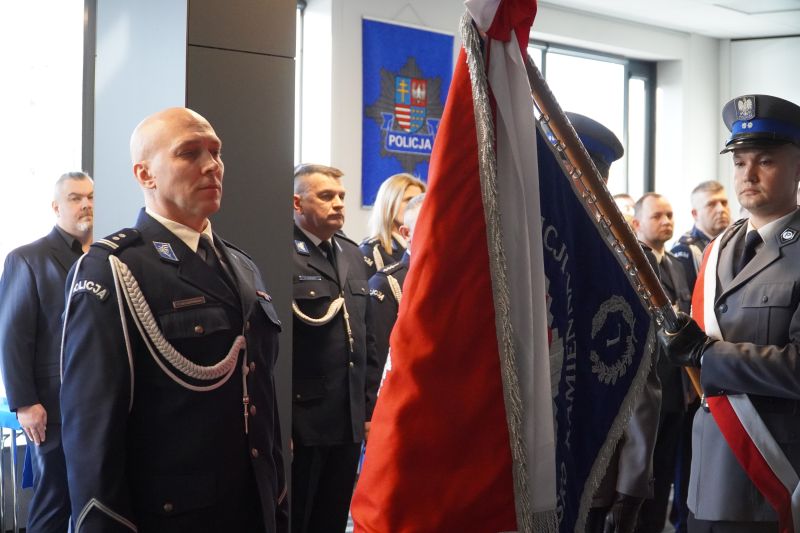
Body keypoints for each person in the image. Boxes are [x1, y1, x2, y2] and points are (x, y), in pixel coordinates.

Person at [59, 108, 287, 533]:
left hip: (250, 508)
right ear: (145, 174)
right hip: (171, 517)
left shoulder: (241, 265)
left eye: (215, 152)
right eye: (189, 153)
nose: (211, 165)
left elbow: (261, 403)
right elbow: (92, 434)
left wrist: (276, 502)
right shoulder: (114, 269)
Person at [660, 93, 800, 533]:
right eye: (739, 163)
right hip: (708, 470)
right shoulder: (719, 249)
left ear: (798, 167)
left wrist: (707, 353)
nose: (749, 175)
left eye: (766, 161)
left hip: (772, 474)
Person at [566, 114, 660, 533]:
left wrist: (632, 483)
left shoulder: (624, 258)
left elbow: (638, 373)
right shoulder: (515, 244)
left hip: (590, 472)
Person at [0, 171, 93, 533]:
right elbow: (13, 336)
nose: (85, 204)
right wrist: (25, 403)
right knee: (54, 505)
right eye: (74, 197)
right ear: (56, 207)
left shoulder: (105, 258)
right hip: (51, 409)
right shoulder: (27, 258)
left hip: (100, 403)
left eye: (90, 196)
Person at [291, 164, 380, 533]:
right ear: (297, 202)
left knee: (333, 518)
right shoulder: (283, 254)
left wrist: (369, 407)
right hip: (304, 419)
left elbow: (367, 338)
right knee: (299, 518)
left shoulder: (351, 254)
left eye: (341, 196)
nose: (339, 204)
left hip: (348, 417)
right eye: (326, 196)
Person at [630, 193, 693, 533]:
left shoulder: (676, 265)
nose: (666, 221)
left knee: (665, 473)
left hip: (675, 389)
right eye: (657, 216)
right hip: (646, 389)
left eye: (670, 214)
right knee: (641, 478)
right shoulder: (632, 260)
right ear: (637, 223)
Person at [368, 192, 424, 377]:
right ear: (407, 233)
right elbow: (379, 362)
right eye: (427, 225)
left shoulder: (454, 280)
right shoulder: (388, 283)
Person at [359, 173, 425, 276]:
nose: (416, 207)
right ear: (389, 204)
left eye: (420, 201)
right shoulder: (371, 251)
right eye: (409, 200)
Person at [671, 180, 731, 289]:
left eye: (724, 203)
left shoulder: (733, 241)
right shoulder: (685, 250)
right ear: (695, 214)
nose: (721, 209)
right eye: (711, 204)